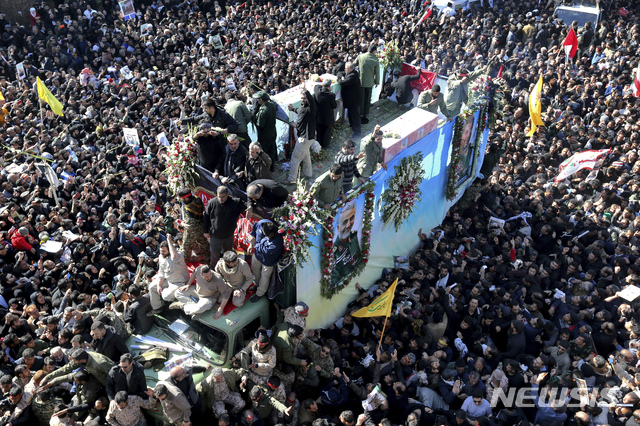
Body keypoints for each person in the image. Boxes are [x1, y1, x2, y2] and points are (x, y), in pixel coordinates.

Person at [181, 97, 239, 171]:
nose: (204, 110)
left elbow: (235, 125)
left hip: (221, 142)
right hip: (210, 142)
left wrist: (227, 130)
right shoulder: (205, 115)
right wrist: (182, 121)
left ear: (211, 108)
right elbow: (195, 119)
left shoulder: (223, 115)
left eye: (205, 108)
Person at [204, 186, 246, 266]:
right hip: (215, 236)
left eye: (223, 197)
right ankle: (213, 267)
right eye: (219, 196)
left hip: (229, 236)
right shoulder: (212, 203)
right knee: (214, 255)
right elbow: (206, 217)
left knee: (228, 254)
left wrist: (250, 207)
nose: (220, 199)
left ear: (227, 194)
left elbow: (247, 204)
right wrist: (205, 231)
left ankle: (227, 267)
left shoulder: (234, 202)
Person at [149, 235, 189, 315]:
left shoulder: (178, 255)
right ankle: (157, 308)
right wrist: (159, 285)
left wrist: (169, 240)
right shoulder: (161, 257)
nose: (162, 253)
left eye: (164, 251)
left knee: (166, 296)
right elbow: (161, 273)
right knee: (152, 286)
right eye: (160, 251)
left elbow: (174, 256)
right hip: (168, 280)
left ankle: (178, 299)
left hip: (179, 282)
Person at [248, 220, 284, 303]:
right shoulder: (261, 223)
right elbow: (254, 231)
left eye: (269, 235)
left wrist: (254, 243)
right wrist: (251, 244)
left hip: (268, 261)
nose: (266, 236)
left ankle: (260, 293)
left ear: (273, 232)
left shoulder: (278, 241)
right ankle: (256, 285)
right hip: (257, 255)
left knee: (264, 277)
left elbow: (266, 252)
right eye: (265, 234)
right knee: (255, 271)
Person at [287, 89, 317, 185]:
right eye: (301, 98)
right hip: (306, 138)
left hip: (305, 138)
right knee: (306, 156)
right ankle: (308, 174)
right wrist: (292, 109)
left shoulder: (311, 108)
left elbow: (311, 101)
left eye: (304, 98)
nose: (303, 100)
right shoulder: (303, 107)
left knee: (295, 158)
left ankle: (291, 179)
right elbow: (299, 111)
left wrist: (306, 91)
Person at [331, 200, 362, 287]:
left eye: (351, 218)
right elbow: (335, 282)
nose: (348, 225)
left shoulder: (354, 237)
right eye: (345, 222)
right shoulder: (333, 250)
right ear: (338, 227)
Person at [177, 187, 210, 263]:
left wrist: (182, 223)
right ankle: (207, 260)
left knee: (186, 247)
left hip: (192, 230)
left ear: (186, 199)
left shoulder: (189, 206)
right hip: (201, 226)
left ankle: (185, 263)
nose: (182, 201)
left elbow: (190, 224)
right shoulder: (197, 199)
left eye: (182, 199)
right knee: (204, 245)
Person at [354, 44, 380, 124]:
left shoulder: (361, 56)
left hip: (361, 81)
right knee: (367, 99)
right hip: (369, 83)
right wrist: (377, 82)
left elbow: (354, 64)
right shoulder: (375, 60)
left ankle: (360, 113)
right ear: (374, 51)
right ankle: (365, 114)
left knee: (361, 98)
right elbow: (377, 73)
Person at [253, 91, 278, 171]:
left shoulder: (263, 111)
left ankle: (267, 168)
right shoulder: (272, 105)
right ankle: (273, 166)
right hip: (272, 132)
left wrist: (253, 119)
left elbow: (260, 125)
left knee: (265, 152)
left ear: (261, 99)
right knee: (272, 149)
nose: (257, 100)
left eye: (257, 99)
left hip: (265, 135)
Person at [337, 62, 362, 138]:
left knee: (355, 116)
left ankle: (357, 132)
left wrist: (341, 79)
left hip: (354, 100)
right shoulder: (349, 73)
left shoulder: (353, 76)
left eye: (346, 68)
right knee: (351, 115)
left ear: (351, 69)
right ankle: (352, 127)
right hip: (351, 99)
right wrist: (341, 77)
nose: (345, 69)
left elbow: (341, 82)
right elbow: (339, 73)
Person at [314, 80, 337, 149]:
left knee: (319, 133)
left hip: (319, 117)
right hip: (328, 118)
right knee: (327, 134)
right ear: (329, 86)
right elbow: (334, 106)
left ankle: (318, 147)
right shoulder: (331, 95)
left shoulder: (318, 92)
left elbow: (316, 86)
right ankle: (325, 147)